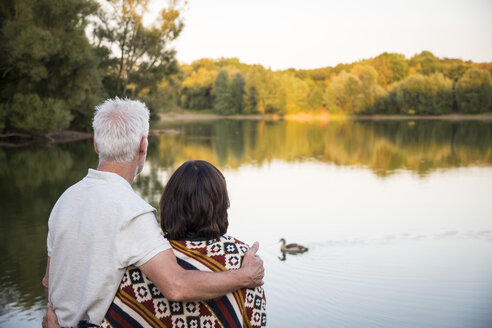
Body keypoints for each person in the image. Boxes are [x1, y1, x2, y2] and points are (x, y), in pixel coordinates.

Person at [43, 98, 264, 327]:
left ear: (96, 144)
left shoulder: (65, 199)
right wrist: (244, 276)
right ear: (143, 145)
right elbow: (176, 286)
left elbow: (49, 281)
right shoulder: (132, 212)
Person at [100, 160, 267, 327]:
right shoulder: (243, 260)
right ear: (222, 206)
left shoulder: (145, 258)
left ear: (168, 204)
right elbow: (255, 320)